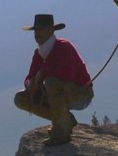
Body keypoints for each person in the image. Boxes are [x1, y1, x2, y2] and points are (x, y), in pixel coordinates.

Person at [14, 14, 94, 146]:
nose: (37, 33)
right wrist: (30, 85)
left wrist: (41, 74)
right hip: (55, 93)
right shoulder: (39, 53)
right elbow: (29, 77)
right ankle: (65, 120)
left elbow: (66, 75)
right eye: (35, 30)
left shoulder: (64, 47)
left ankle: (61, 132)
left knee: (51, 83)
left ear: (51, 31)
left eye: (41, 29)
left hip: (80, 93)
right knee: (20, 98)